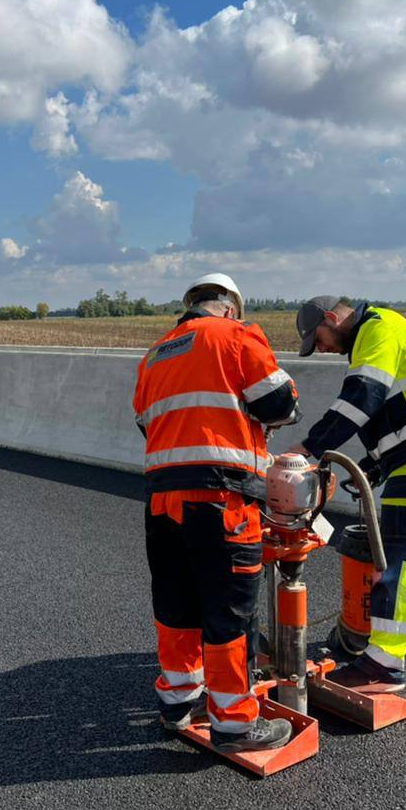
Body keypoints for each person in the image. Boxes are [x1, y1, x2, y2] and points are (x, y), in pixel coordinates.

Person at [132, 273, 302, 752]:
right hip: (220, 500)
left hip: (162, 499)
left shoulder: (155, 354)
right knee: (230, 613)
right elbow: (278, 403)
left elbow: (147, 423)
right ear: (230, 307)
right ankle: (234, 724)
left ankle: (176, 702)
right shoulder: (236, 335)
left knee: (176, 605)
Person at [288, 296, 406, 693]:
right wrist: (373, 466)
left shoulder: (377, 329)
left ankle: (384, 662)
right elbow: (392, 411)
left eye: (317, 339)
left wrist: (309, 448)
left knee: (401, 552)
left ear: (332, 318)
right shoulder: (377, 333)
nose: (320, 349)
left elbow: (361, 399)